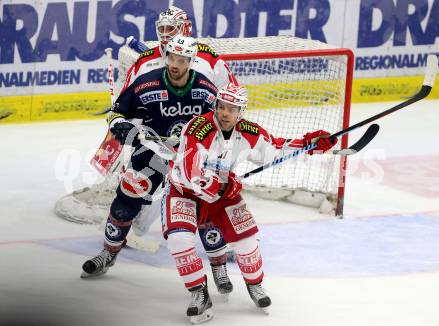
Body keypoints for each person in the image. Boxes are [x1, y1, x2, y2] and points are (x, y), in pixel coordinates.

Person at [163, 82, 337, 323]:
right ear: (215, 105)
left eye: (232, 109)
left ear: (241, 111)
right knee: (179, 239)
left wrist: (309, 145)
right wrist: (224, 184)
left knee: (246, 241)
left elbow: (275, 149)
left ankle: (255, 285)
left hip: (221, 194)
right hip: (184, 191)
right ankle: (199, 293)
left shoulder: (249, 132)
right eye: (222, 107)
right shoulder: (199, 128)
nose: (225, 113)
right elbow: (191, 170)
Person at [80, 36, 223, 280]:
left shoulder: (205, 89)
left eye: (181, 60)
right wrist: (121, 126)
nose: (175, 64)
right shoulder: (146, 84)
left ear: (190, 61)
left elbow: (224, 121)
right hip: (153, 152)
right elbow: (116, 112)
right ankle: (108, 252)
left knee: (206, 204)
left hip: (189, 156)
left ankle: (219, 268)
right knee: (128, 195)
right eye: (171, 58)